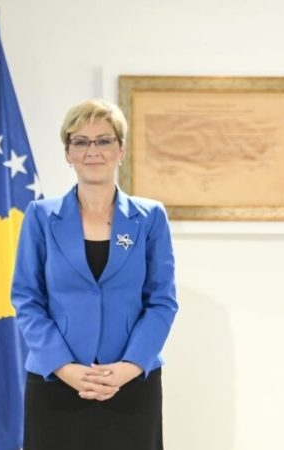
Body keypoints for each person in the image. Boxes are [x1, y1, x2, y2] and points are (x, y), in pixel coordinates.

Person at [12, 99, 178, 450]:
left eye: (104, 140)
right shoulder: (40, 217)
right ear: (67, 153)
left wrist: (129, 366)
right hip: (56, 381)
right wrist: (65, 368)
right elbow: (27, 300)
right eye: (81, 141)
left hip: (131, 383)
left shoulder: (150, 217)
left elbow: (162, 301)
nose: (93, 151)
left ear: (121, 150)